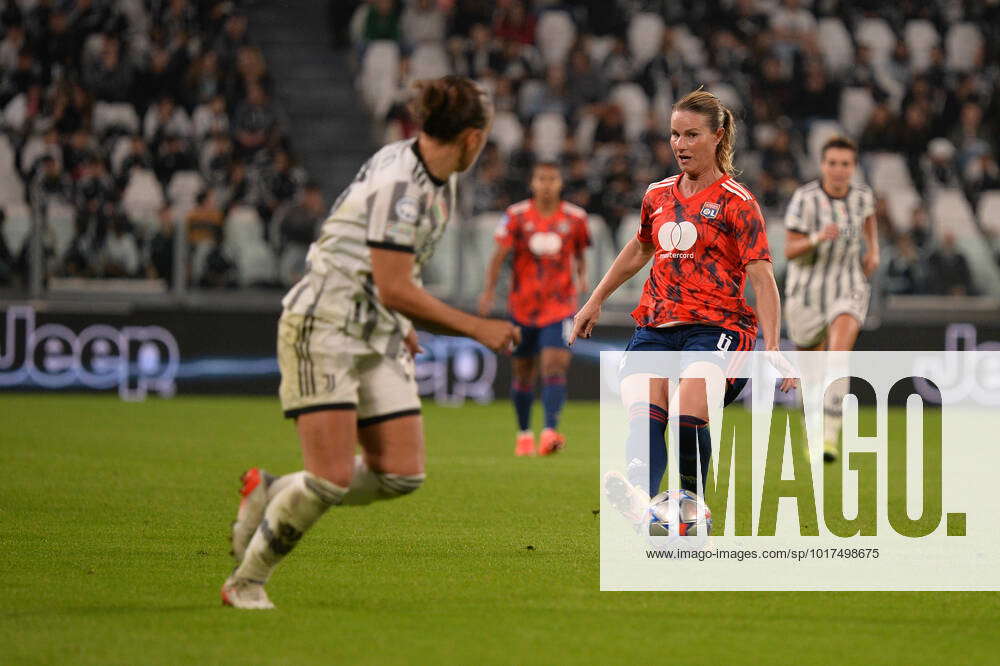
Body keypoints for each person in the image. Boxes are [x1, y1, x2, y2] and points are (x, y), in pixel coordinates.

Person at [221, 75, 518, 609]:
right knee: (330, 478)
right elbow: (394, 284)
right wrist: (477, 327)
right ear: (472, 138)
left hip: (374, 326)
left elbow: (391, 264)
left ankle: (270, 488)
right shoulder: (404, 186)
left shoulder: (432, 171)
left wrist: (400, 320)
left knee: (401, 473)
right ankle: (247, 581)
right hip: (326, 324)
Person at [569, 89, 793, 519]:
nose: (680, 145)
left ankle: (692, 509)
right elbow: (638, 250)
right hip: (656, 325)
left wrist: (775, 345)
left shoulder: (738, 202)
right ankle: (641, 504)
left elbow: (762, 278)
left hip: (718, 329)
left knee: (688, 415)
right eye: (674, 135)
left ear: (717, 137)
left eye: (692, 135)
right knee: (645, 416)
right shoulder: (657, 195)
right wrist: (593, 302)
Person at [478, 162, 590, 457]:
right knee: (523, 372)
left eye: (552, 179)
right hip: (522, 307)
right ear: (532, 183)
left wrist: (583, 279)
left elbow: (580, 253)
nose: (547, 184)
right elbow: (498, 256)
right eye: (541, 178)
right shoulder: (515, 216)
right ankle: (524, 434)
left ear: (560, 183)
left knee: (555, 365)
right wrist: (488, 292)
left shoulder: (576, 218)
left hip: (560, 305)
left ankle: (550, 432)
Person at [783, 135, 878, 461]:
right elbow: (790, 250)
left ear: (853, 167)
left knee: (837, 357)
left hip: (847, 285)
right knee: (810, 373)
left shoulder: (863, 197)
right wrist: (816, 237)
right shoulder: (804, 199)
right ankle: (812, 432)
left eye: (846, 164)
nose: (839, 170)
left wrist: (873, 251)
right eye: (833, 163)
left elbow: (869, 222)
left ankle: (830, 438)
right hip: (807, 291)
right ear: (823, 165)